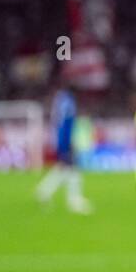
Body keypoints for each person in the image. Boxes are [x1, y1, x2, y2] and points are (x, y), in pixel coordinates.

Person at [34, 86, 93, 214]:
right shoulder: (68, 102)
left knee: (66, 168)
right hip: (64, 141)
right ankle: (74, 200)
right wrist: (67, 143)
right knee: (71, 168)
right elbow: (65, 125)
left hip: (60, 139)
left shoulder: (60, 100)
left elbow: (60, 122)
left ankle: (44, 191)